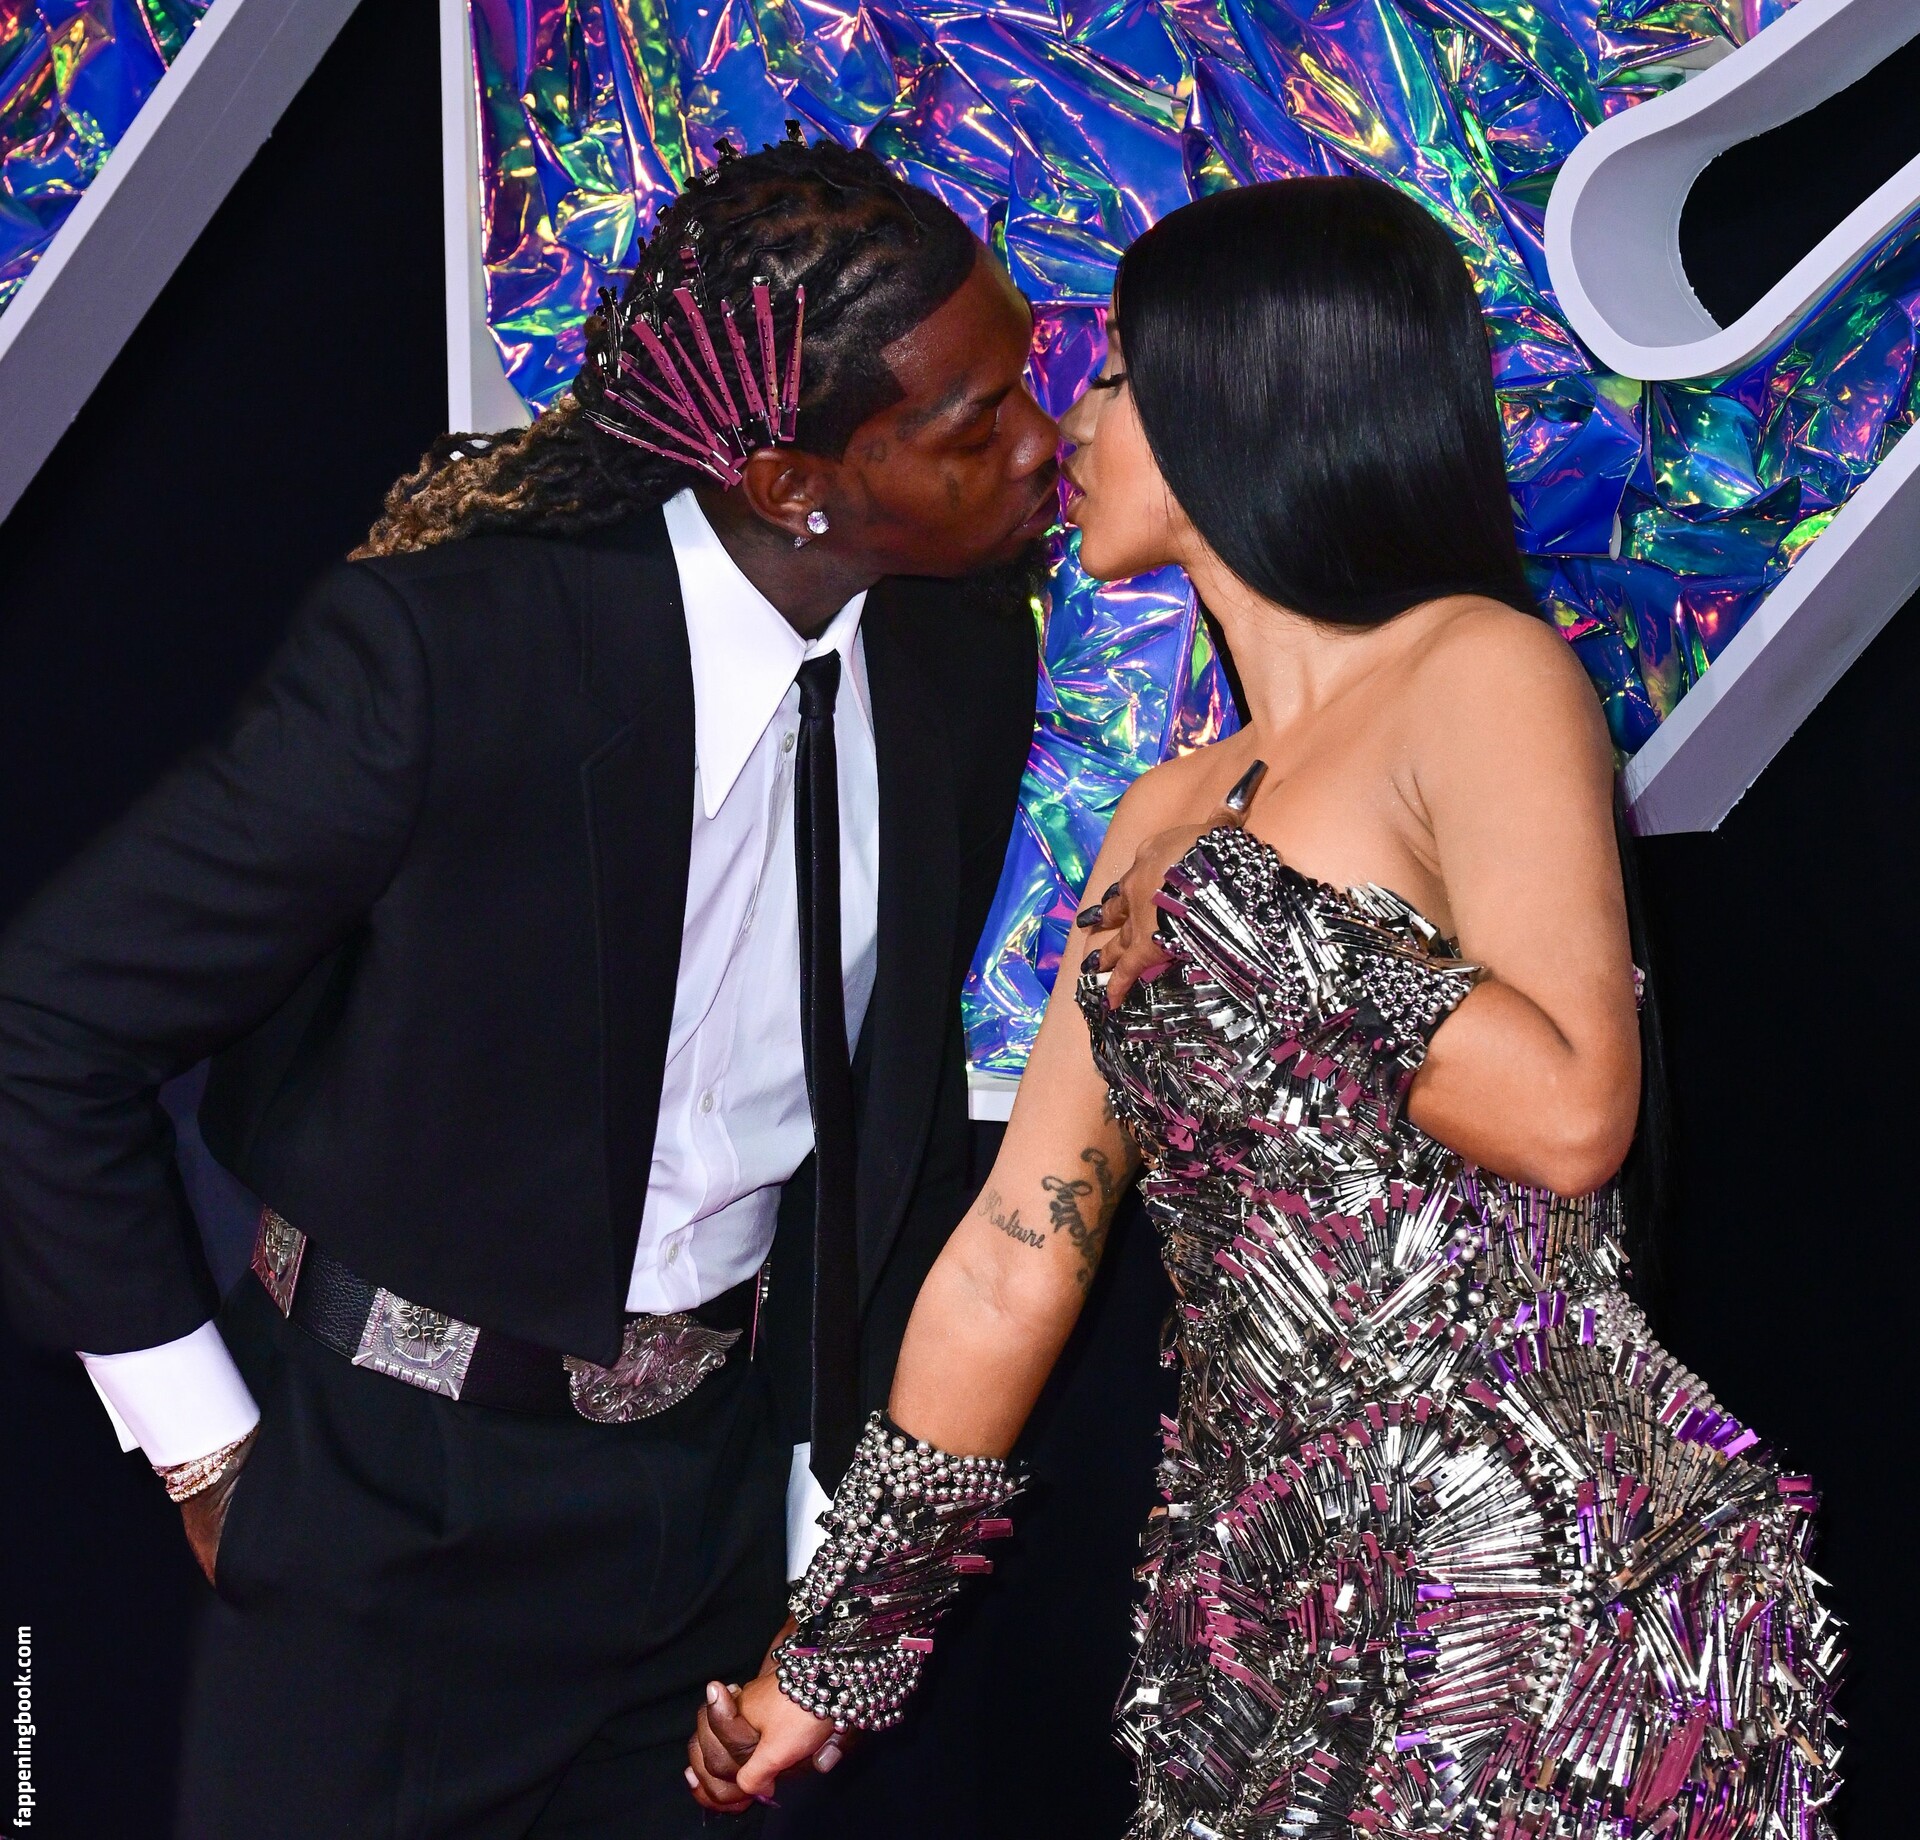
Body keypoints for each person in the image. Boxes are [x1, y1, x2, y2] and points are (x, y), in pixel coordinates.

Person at [691, 177, 1844, 1838]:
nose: (1072, 427)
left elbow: (1571, 1111)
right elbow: (1017, 1253)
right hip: (1259, 1619)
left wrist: (1254, 918)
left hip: (1525, 1589)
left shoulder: (1478, 672)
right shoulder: (1160, 814)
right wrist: (834, 1652)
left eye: (1113, 377)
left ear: (1236, 396)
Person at [0, 133, 1058, 1837]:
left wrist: (823, 1535)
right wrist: (207, 1455)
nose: (1041, 443)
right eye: (974, 422)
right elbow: (45, 1025)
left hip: (712, 1522)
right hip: (386, 1507)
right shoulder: (455, 654)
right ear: (793, 479)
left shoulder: (959, 648)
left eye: (1028, 387)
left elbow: (893, 1121)